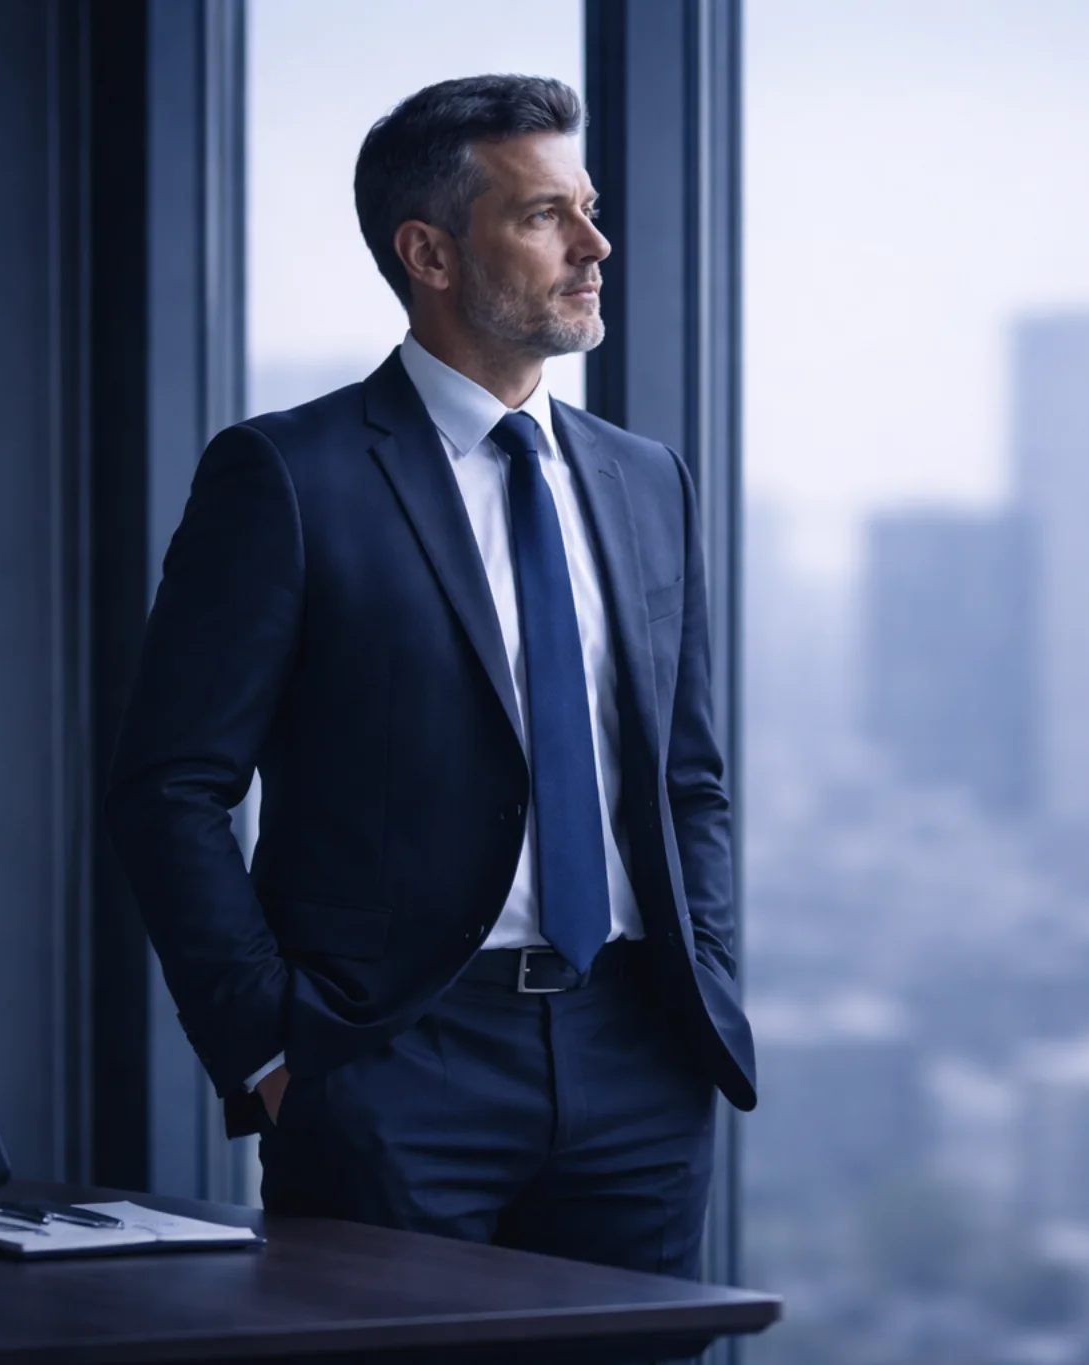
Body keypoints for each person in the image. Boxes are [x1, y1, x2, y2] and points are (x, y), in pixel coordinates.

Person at [104, 74, 755, 1285]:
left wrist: (701, 984)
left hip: (638, 1062)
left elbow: (687, 778)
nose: (595, 245)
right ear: (431, 254)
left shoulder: (644, 478)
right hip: (394, 1064)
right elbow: (168, 789)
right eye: (543, 215)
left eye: (590, 208)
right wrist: (272, 1050)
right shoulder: (287, 477)